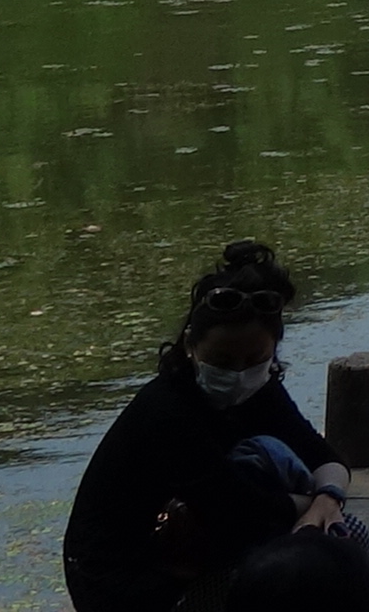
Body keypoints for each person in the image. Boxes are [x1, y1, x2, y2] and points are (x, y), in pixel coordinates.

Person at [62, 242, 353, 612]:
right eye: (222, 360)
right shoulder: (167, 409)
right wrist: (310, 506)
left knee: (341, 536)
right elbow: (237, 509)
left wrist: (328, 500)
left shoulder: (260, 391)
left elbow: (323, 455)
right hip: (120, 576)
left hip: (197, 546)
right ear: (190, 346)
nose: (238, 372)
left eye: (254, 359)